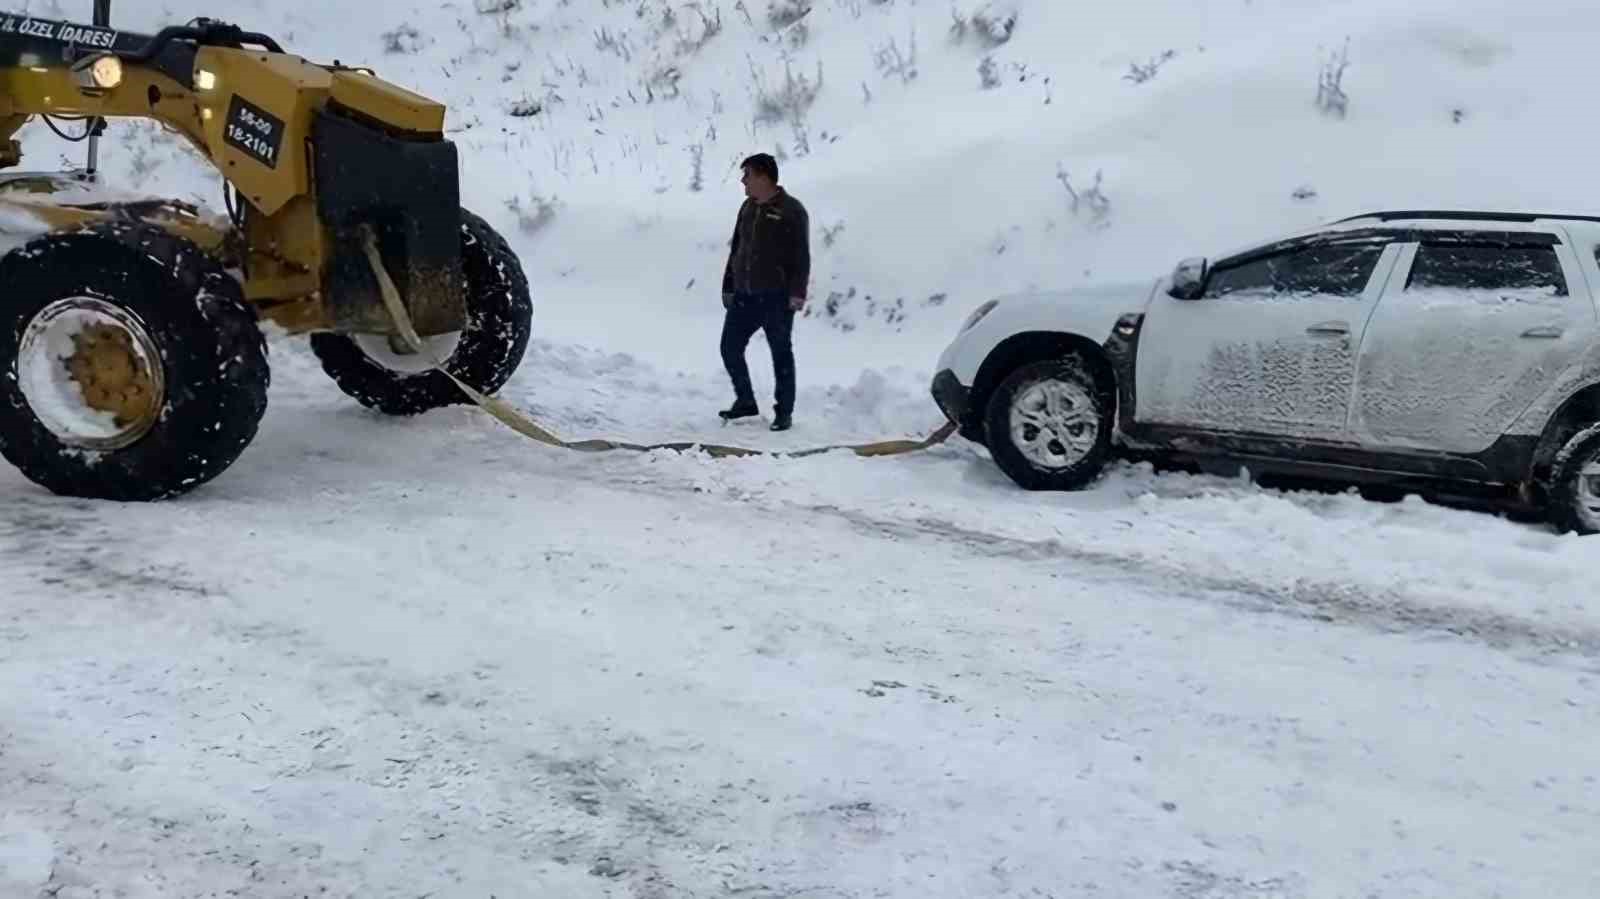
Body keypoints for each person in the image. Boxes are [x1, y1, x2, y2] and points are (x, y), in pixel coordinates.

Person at [719, 152, 809, 432]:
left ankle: (784, 412)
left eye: (747, 175)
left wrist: (797, 293)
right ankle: (746, 401)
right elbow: (737, 249)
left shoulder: (792, 210)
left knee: (781, 354)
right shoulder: (747, 208)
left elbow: (801, 256)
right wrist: (729, 285)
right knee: (729, 348)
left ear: (763, 176)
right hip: (745, 295)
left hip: (776, 297)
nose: (743, 181)